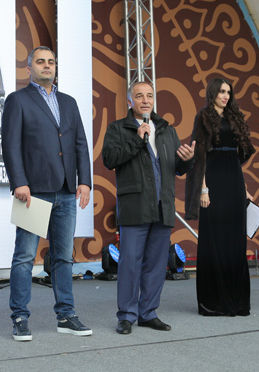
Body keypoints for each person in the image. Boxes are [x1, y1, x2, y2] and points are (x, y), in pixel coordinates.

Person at [2, 46, 92, 341]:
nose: (47, 66)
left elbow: (80, 144)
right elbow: (10, 145)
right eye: (40, 62)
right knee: (25, 257)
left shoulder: (69, 102)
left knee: (64, 257)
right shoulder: (18, 100)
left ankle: (66, 315)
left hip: (66, 190)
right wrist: (19, 182)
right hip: (33, 191)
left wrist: (84, 181)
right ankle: (20, 317)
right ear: (29, 69)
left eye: (51, 62)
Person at [102, 81, 195, 335]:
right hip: (135, 205)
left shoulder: (166, 130)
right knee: (130, 264)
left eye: (150, 96)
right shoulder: (118, 128)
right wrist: (136, 139)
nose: (145, 100)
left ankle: (148, 313)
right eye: (139, 96)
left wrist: (187, 161)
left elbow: (177, 167)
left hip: (163, 205)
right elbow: (109, 159)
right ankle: (126, 315)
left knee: (156, 263)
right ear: (129, 101)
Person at [185, 78, 256, 317]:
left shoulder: (234, 117)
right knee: (214, 241)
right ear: (213, 93)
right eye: (222, 91)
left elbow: (238, 157)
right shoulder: (203, 117)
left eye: (228, 92)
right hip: (213, 183)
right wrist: (203, 189)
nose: (226, 95)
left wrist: (243, 187)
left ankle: (237, 302)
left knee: (235, 242)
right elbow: (199, 156)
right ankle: (212, 303)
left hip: (234, 183)